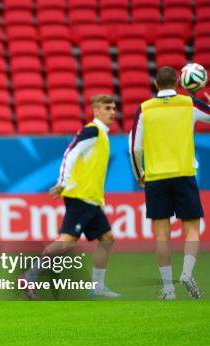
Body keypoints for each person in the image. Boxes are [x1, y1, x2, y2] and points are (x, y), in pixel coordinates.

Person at [22, 94, 121, 299]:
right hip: (80, 196)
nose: (113, 112)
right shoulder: (92, 130)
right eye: (107, 108)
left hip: (92, 199)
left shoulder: (101, 134)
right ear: (96, 110)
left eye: (113, 108)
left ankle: (98, 288)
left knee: (107, 238)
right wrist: (63, 182)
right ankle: (29, 277)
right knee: (66, 240)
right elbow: (71, 152)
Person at [129, 66, 210, 300]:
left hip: (156, 178)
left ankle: (168, 288)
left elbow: (135, 147)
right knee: (192, 228)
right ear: (178, 83)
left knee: (162, 234)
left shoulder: (144, 109)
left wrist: (139, 174)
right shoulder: (189, 104)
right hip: (184, 174)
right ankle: (186, 272)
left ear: (155, 85)